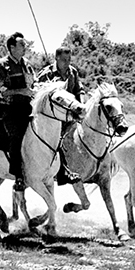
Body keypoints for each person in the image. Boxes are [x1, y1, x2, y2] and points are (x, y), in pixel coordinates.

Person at [0, 32, 35, 192]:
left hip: (28, 107)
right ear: (12, 47)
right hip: (10, 110)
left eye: (25, 45)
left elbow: (33, 84)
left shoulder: (27, 64)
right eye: (22, 45)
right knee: (16, 136)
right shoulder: (1, 66)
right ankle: (18, 176)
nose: (25, 47)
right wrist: (20, 91)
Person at [36, 46, 83, 185]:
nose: (67, 62)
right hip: (51, 117)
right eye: (64, 60)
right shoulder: (46, 74)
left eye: (69, 59)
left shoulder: (72, 72)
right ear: (56, 58)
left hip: (70, 114)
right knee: (59, 140)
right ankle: (62, 170)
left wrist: (81, 108)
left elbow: (79, 90)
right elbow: (38, 95)